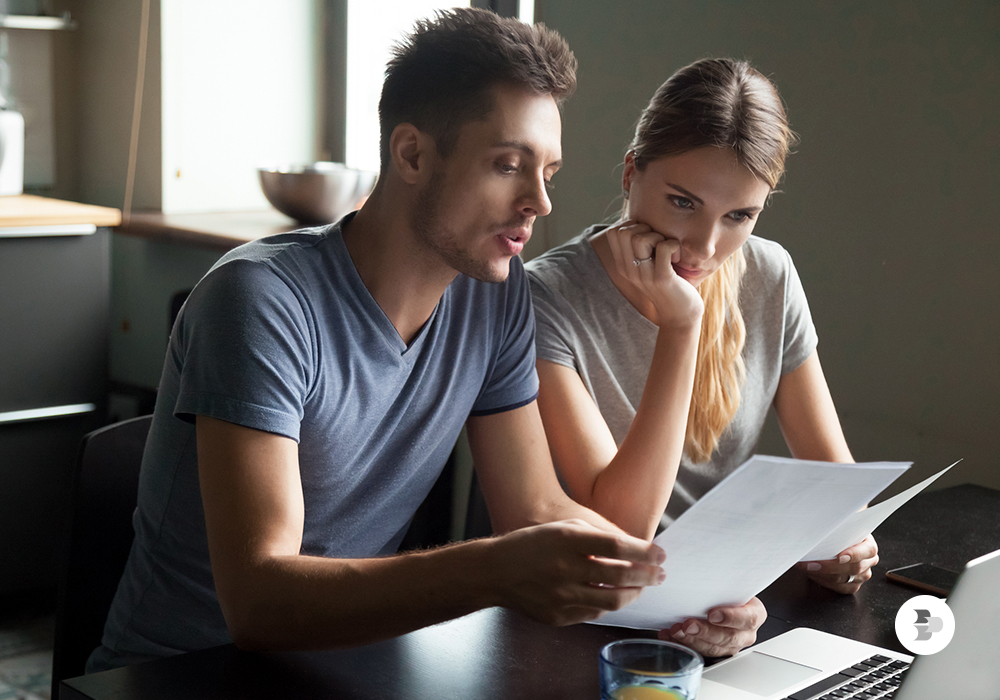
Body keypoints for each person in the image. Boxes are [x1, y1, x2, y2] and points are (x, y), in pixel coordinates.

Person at [87, 8, 668, 672]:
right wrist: (490, 570)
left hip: (343, 667)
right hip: (183, 676)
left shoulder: (497, 294)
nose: (540, 200)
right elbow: (257, 601)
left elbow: (536, 507)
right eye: (509, 164)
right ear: (412, 153)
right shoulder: (259, 300)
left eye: (549, 173)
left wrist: (680, 596)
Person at [525, 58, 879, 658]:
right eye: (683, 202)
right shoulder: (544, 296)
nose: (706, 247)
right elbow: (622, 527)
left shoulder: (770, 275)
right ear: (632, 171)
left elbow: (836, 486)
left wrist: (846, 548)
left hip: (713, 602)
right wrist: (682, 325)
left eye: (740, 215)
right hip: (577, 620)